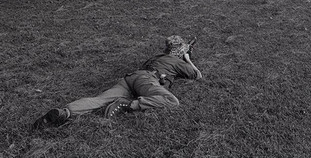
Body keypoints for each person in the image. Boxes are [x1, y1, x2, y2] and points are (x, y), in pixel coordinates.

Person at [33, 35, 202, 130]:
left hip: (131, 78)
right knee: (172, 101)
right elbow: (197, 75)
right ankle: (128, 105)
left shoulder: (157, 57)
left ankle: (64, 112)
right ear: (180, 52)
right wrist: (187, 59)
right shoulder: (178, 61)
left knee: (99, 99)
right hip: (147, 81)